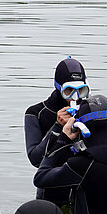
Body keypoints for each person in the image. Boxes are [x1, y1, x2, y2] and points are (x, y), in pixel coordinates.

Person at [24, 57, 89, 205]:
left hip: (84, 190)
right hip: (50, 193)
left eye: (81, 91)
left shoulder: (91, 110)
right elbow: (35, 159)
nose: (75, 97)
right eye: (69, 91)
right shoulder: (37, 112)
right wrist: (57, 127)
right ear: (58, 87)